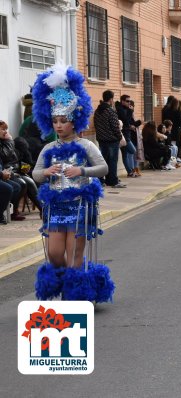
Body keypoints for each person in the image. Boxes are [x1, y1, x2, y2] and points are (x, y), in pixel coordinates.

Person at [31, 63, 114, 302]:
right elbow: (36, 174)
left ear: (73, 121)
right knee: (56, 254)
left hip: (79, 206)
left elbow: (104, 168)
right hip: (56, 208)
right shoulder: (48, 148)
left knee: (75, 256)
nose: (58, 125)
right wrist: (46, 171)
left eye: (63, 120)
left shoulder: (86, 145)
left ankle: (73, 298)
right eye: (55, 120)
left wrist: (81, 169)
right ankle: (72, 283)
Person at [94, 90, 126, 188]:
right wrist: (119, 137)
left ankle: (101, 180)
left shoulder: (97, 111)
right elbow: (115, 127)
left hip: (101, 140)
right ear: (111, 99)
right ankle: (112, 181)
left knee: (102, 161)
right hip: (112, 140)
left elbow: (96, 125)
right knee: (112, 161)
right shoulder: (110, 111)